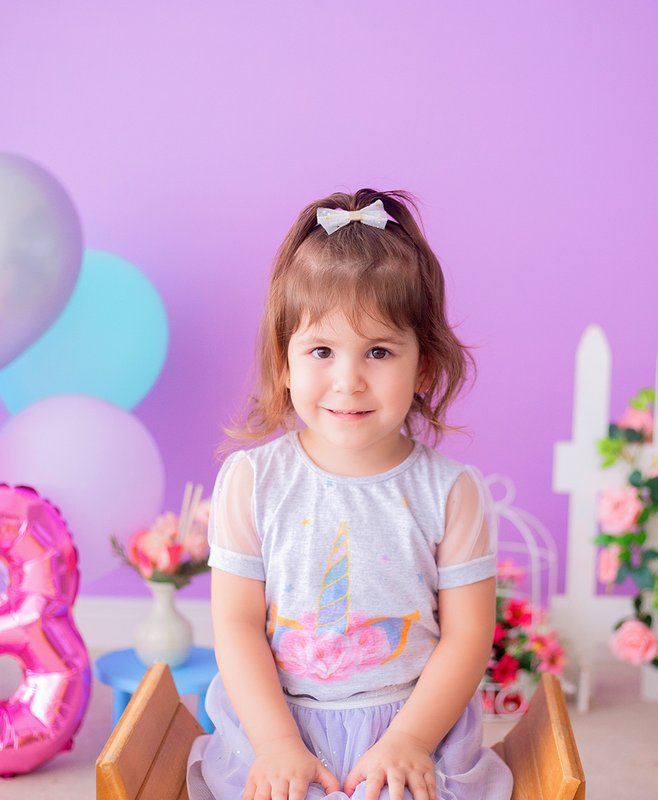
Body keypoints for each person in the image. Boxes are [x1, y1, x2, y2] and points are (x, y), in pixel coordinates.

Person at [186, 190, 512, 800]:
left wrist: (410, 740)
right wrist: (278, 744)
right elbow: (236, 624)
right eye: (321, 351)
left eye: (380, 351)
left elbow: (469, 636)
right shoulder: (253, 482)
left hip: (412, 725)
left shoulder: (451, 493)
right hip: (277, 722)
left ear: (424, 367)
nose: (348, 380)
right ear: (284, 360)